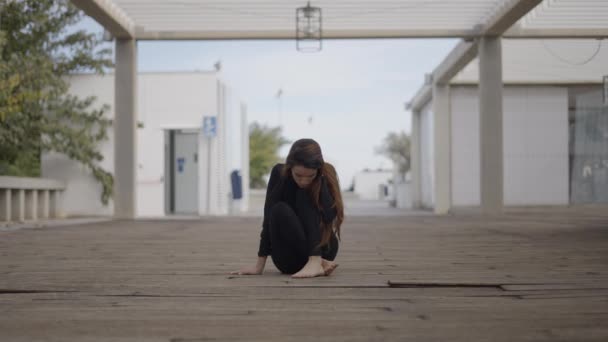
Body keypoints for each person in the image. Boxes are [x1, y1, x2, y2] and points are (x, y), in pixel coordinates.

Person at [232, 138, 344, 278]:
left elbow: (329, 216)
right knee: (279, 209)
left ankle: (315, 260)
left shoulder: (325, 174)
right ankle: (317, 263)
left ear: (318, 169)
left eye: (310, 176)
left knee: (304, 194)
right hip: (290, 258)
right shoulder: (279, 173)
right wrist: (259, 266)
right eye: (298, 175)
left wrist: (318, 181)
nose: (304, 181)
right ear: (289, 166)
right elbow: (268, 218)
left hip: (325, 250)